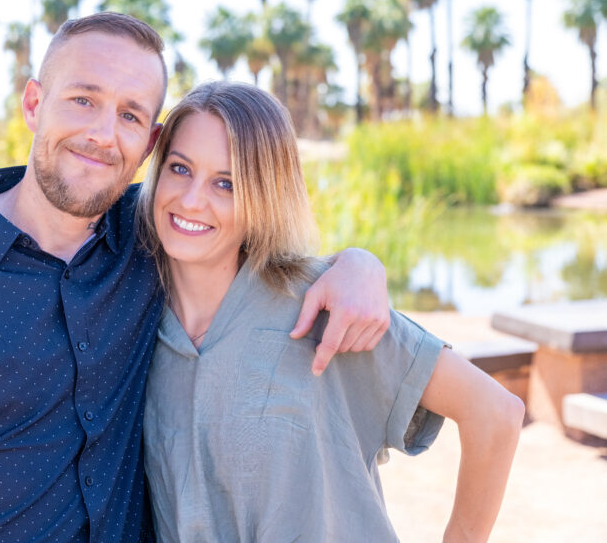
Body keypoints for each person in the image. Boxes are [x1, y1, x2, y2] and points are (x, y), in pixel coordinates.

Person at [0, 13, 391, 543]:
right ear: (33, 103)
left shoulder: (157, 234)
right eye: (83, 100)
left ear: (150, 141)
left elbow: (253, 226)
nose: (102, 134)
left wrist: (358, 263)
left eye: (129, 114)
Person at [137, 81, 525, 543]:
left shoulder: (326, 304)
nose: (192, 199)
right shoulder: (134, 318)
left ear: (264, 193)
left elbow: (495, 412)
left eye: (227, 183)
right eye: (180, 168)